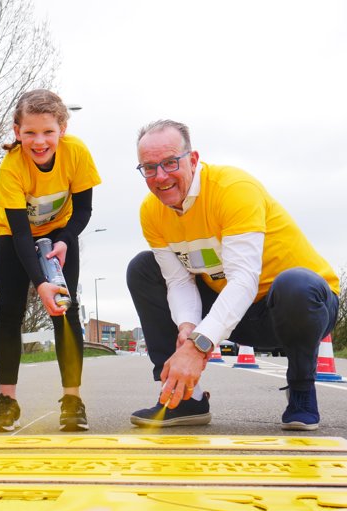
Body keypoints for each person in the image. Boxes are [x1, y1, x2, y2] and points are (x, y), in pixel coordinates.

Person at [127, 119, 339, 430]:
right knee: (143, 268)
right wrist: (188, 329)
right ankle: (183, 397)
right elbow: (178, 281)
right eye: (149, 167)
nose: (160, 177)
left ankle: (302, 392)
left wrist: (199, 345)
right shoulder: (151, 211)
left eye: (170, 162)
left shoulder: (233, 189)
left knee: (296, 284)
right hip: (236, 313)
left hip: (294, 308)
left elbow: (243, 279)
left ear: (193, 159)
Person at [0, 89, 102, 433]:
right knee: (8, 312)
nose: (39, 142)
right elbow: (21, 235)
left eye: (48, 132)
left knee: (66, 308)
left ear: (62, 129)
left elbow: (83, 209)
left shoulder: (76, 152)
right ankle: (7, 401)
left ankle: (72, 400)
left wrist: (66, 240)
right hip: (14, 236)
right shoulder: (11, 167)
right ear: (16, 131)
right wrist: (41, 283)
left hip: (61, 235)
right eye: (30, 133)